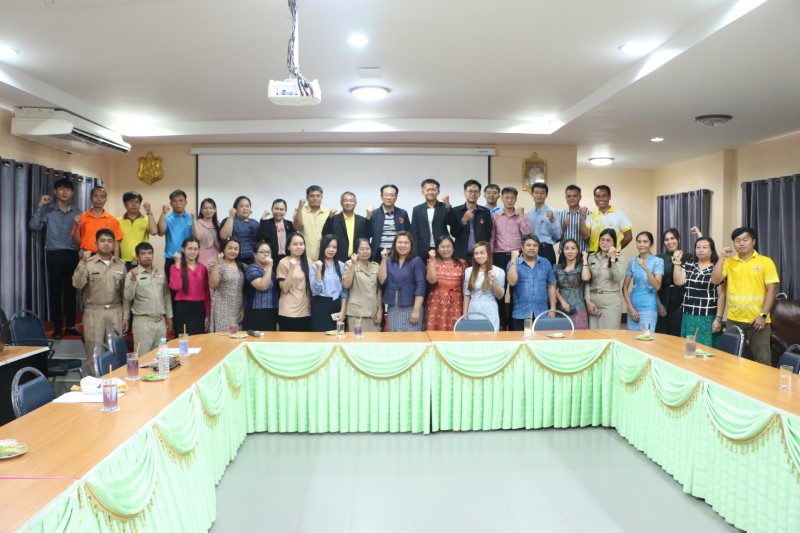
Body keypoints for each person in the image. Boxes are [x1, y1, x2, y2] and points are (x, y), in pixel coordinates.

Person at [710, 227, 780, 366]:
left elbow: (771, 291)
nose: (741, 243)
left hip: (758, 320)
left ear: (753, 241)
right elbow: (715, 280)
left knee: (762, 361)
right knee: (730, 359)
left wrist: (763, 315)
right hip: (734, 319)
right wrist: (722, 258)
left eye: (745, 239)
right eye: (737, 240)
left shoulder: (765, 262)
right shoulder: (729, 262)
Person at [29, 177, 82, 339]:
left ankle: (71, 325)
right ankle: (58, 328)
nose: (64, 192)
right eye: (61, 189)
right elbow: (34, 226)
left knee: (71, 292)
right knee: (55, 292)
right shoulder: (48, 210)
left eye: (68, 189)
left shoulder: (78, 211)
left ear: (72, 193)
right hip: (54, 255)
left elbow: (83, 234)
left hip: (72, 255)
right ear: (55, 191)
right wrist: (40, 206)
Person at [71, 229, 125, 375]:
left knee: (115, 351)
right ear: (96, 243)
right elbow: (77, 284)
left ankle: (116, 383)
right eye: (102, 241)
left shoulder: (120, 265)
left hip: (115, 311)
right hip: (94, 312)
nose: (106, 244)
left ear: (114, 244)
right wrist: (82, 262)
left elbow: (125, 294)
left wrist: (125, 316)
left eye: (109, 241)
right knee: (94, 353)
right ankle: (96, 384)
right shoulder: (88, 263)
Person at [673, 237, 726, 348]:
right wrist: (677, 262)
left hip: (707, 316)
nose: (700, 250)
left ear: (712, 250)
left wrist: (718, 318)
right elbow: (678, 282)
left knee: (705, 348)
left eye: (704, 247)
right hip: (688, 314)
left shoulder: (716, 267)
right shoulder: (689, 264)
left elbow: (721, 295)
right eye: (698, 247)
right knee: (689, 348)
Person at [490, 187, 531, 329]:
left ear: (516, 199)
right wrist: (490, 257)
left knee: (516, 290)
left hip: (517, 256)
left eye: (512, 197)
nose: (509, 200)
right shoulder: (495, 216)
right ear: (501, 198)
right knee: (499, 290)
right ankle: (501, 322)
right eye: (506, 197)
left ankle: (514, 323)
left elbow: (527, 235)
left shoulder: (521, 216)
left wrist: (522, 218)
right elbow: (492, 237)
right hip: (499, 256)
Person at [122, 242, 172, 353]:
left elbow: (166, 295)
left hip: (160, 322)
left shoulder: (159, 273)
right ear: (137, 256)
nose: (147, 256)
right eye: (143, 254)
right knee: (143, 357)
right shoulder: (132, 274)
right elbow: (128, 297)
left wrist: (169, 316)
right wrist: (133, 279)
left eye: (149, 253)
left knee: (161, 356)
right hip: (143, 322)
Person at [656, 227, 702, 336]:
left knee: (677, 333)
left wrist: (698, 234)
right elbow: (653, 284)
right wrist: (659, 304)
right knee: (661, 334)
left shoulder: (687, 257)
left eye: (672, 238)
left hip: (681, 298)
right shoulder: (659, 258)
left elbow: (703, 250)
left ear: (679, 239)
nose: (670, 242)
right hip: (662, 297)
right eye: (666, 239)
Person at [506, 234, 557, 331]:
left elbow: (551, 286)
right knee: (521, 340)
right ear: (522, 247)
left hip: (542, 313)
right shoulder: (514, 263)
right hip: (520, 314)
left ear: (538, 248)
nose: (532, 248)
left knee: (541, 340)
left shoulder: (545, 263)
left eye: (535, 245)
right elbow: (512, 282)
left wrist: (553, 309)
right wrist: (513, 260)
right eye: (528, 245)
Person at [378, 231, 426, 332]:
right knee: (394, 337)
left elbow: (421, 287)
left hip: (412, 306)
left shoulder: (416, 261)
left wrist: (416, 310)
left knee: (412, 338)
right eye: (400, 242)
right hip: (393, 306)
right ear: (395, 244)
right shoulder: (389, 261)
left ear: (411, 245)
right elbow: (382, 280)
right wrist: (383, 260)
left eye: (406, 242)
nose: (402, 245)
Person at [623, 232, 664, 331]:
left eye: (645, 242)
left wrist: (645, 267)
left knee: (646, 336)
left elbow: (657, 286)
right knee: (631, 338)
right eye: (639, 241)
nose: (642, 244)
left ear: (651, 244)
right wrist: (631, 308)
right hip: (633, 305)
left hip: (649, 306)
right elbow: (624, 287)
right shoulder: (632, 261)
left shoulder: (658, 261)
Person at [584, 229, 625, 329]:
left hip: (610, 301)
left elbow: (618, 277)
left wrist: (613, 258)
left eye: (608, 240)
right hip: (593, 301)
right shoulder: (592, 257)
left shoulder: (619, 258)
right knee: (594, 334)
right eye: (602, 239)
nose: (604, 243)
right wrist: (587, 300)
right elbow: (587, 281)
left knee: (609, 334)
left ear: (614, 243)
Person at [424, 235, 467, 331]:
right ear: (437, 249)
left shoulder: (462, 263)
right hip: (436, 301)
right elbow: (431, 280)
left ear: (453, 248)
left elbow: (465, 286)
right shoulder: (432, 262)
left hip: (456, 302)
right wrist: (432, 260)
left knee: (455, 331)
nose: (446, 249)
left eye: (448, 246)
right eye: (442, 247)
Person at [169, 237, 211, 335]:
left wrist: (207, 314)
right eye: (190, 248)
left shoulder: (203, 268)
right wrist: (177, 264)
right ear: (183, 249)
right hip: (182, 308)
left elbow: (206, 292)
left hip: (199, 309)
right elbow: (175, 286)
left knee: (198, 340)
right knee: (183, 340)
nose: (193, 252)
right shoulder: (175, 267)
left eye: (195, 249)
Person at [342, 238, 383, 332]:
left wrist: (380, 309)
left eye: (367, 248)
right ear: (356, 251)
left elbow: (378, 290)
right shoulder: (349, 264)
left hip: (373, 312)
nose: (365, 251)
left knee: (374, 341)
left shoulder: (376, 266)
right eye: (361, 249)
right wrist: (353, 264)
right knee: (357, 340)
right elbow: (346, 285)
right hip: (356, 312)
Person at [309, 235, 348, 332]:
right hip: (320, 306)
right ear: (323, 247)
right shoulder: (314, 266)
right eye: (328, 246)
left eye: (334, 247)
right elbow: (315, 290)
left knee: (338, 337)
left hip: (337, 306)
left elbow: (345, 291)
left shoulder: (342, 265)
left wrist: (343, 311)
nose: (331, 250)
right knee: (320, 338)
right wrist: (318, 270)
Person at [463, 241, 505, 331]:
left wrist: (494, 281)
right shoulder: (468, 271)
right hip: (473, 308)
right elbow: (466, 296)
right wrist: (465, 315)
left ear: (488, 254)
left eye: (482, 253)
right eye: (476, 253)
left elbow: (500, 296)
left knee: (491, 337)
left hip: (490, 308)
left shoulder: (498, 271)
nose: (479, 256)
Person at [276, 232, 312, 332]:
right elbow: (284, 289)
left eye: (301, 244)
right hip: (289, 311)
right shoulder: (283, 262)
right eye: (295, 244)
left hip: (305, 310)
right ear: (288, 247)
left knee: (305, 340)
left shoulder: (308, 261)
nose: (299, 247)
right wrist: (292, 267)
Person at [322, 191, 372, 263]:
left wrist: (368, 218)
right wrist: (330, 218)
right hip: (338, 259)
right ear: (341, 203)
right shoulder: (334, 219)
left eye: (351, 201)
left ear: (355, 203)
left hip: (358, 259)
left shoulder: (363, 220)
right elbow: (325, 234)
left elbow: (368, 235)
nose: (348, 203)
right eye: (345, 200)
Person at [410, 178, 454, 260]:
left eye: (433, 190)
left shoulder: (444, 207)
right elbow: (414, 233)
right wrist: (414, 251)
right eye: (427, 190)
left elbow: (452, 222)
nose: (430, 192)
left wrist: (448, 205)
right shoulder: (417, 209)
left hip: (442, 247)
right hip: (422, 249)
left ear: (438, 192)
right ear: (423, 192)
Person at [157, 189, 193, 289]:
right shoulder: (167, 218)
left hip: (189, 259)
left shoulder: (192, 218)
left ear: (186, 202)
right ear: (171, 203)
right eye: (175, 201)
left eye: (181, 201)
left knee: (189, 288)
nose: (178, 204)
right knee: (173, 289)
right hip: (171, 260)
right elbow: (161, 232)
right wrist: (163, 213)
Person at [208, 238, 245, 333]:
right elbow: (213, 284)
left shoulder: (242, 266)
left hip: (237, 308)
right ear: (223, 249)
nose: (233, 251)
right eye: (230, 248)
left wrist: (243, 308)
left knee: (236, 336)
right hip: (222, 307)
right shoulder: (215, 264)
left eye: (236, 249)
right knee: (223, 337)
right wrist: (218, 263)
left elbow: (244, 290)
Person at [450, 179, 493, 261]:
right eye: (470, 191)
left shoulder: (485, 212)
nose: (473, 194)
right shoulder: (456, 211)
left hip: (480, 255)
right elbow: (453, 233)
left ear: (479, 194)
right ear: (464, 193)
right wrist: (463, 221)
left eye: (476, 191)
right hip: (461, 254)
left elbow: (488, 234)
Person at [73, 186, 122, 255]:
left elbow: (116, 243)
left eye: (102, 197)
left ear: (105, 200)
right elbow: (76, 242)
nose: (98, 199)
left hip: (106, 255)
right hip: (86, 255)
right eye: (95, 196)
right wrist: (76, 226)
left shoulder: (113, 220)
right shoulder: (82, 217)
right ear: (91, 198)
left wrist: (116, 260)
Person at [368, 184, 411, 261]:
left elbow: (408, 233)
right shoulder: (374, 213)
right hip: (379, 253)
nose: (389, 197)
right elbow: (367, 234)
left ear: (396, 197)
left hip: (398, 252)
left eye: (392, 195)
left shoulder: (402, 213)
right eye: (386, 195)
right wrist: (368, 218)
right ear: (381, 197)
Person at [554, 239, 591, 329]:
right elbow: (552, 288)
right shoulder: (556, 268)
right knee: (562, 334)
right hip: (562, 307)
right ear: (563, 251)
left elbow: (586, 278)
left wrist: (584, 259)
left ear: (578, 251)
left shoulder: (582, 266)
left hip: (579, 308)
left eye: (573, 248)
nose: (570, 251)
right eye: (567, 248)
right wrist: (562, 302)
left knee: (580, 335)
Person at [243, 241, 279, 332]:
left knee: (270, 339)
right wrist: (269, 266)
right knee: (255, 338)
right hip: (255, 312)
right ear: (255, 254)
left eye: (268, 252)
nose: (265, 254)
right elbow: (262, 286)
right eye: (262, 252)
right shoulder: (252, 268)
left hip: (271, 311)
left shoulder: (271, 270)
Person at [586, 185, 633, 252]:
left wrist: (616, 249)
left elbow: (628, 237)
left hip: (613, 255)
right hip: (594, 255)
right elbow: (586, 236)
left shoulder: (619, 214)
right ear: (594, 198)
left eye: (604, 196)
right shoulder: (590, 216)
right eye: (598, 196)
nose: (601, 199)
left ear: (609, 197)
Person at [117, 191, 157, 271]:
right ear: (124, 204)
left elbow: (154, 232)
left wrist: (149, 212)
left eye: (137, 202)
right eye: (131, 202)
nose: (134, 204)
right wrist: (117, 261)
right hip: (124, 262)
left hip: (142, 262)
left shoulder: (146, 218)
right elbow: (116, 242)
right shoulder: (118, 221)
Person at [293, 185, 332, 261]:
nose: (315, 198)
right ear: (307, 198)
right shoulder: (300, 210)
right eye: (312, 196)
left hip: (325, 255)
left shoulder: (329, 212)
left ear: (322, 197)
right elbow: (297, 228)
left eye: (318, 196)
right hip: (306, 256)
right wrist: (300, 207)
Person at [526, 182, 561, 266]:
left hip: (546, 250)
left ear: (546, 195)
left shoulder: (553, 212)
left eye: (542, 193)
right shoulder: (529, 214)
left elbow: (558, 236)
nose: (539, 195)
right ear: (532, 194)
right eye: (536, 192)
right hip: (531, 249)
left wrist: (552, 219)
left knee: (548, 273)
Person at [219, 195, 259, 265]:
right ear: (235, 209)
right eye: (241, 206)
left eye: (247, 206)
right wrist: (231, 216)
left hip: (254, 260)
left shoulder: (255, 222)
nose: (245, 208)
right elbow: (224, 236)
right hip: (236, 259)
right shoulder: (229, 220)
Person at [255, 199, 295, 266]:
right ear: (272, 209)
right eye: (276, 209)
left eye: (281, 209)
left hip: (288, 257)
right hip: (272, 258)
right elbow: (259, 237)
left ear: (285, 211)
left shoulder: (290, 224)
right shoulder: (266, 223)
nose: (278, 212)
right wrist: (263, 219)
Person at [559, 185, 590, 256]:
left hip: (582, 254)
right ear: (565, 197)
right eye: (569, 196)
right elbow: (557, 238)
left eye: (575, 196)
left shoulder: (589, 214)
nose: (571, 198)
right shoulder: (560, 215)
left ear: (580, 197)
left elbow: (588, 236)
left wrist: (582, 217)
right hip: (565, 254)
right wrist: (563, 227)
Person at [193, 198, 221, 267]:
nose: (208, 210)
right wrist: (193, 218)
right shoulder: (198, 223)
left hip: (217, 256)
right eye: (205, 208)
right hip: (202, 257)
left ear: (215, 209)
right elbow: (197, 237)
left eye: (211, 208)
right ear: (201, 210)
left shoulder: (218, 224)